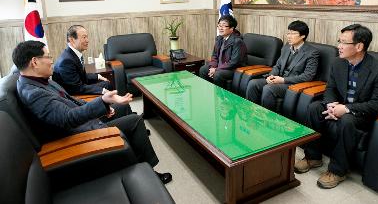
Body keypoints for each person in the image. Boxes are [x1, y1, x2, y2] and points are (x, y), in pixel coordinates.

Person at [13, 40, 172, 184]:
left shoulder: (41, 81)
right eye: (48, 57)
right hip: (78, 135)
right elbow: (68, 119)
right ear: (34, 61)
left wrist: (103, 106)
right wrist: (102, 102)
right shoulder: (34, 93)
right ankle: (150, 173)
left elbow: (71, 99)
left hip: (83, 120)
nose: (51, 61)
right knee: (135, 121)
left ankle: (133, 145)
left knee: (122, 106)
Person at [294, 24, 378, 189]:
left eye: (344, 43)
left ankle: (338, 170)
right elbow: (330, 88)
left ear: (359, 46)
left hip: (362, 114)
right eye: (339, 41)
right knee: (314, 108)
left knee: (347, 120)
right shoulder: (338, 63)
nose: (339, 46)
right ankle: (313, 157)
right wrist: (331, 105)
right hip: (339, 106)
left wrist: (346, 109)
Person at [246, 20, 319, 111]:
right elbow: (278, 65)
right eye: (288, 33)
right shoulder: (286, 47)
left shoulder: (312, 53)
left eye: (293, 34)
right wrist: (271, 76)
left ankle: (266, 118)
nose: (289, 36)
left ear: (303, 36)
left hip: (293, 84)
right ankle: (250, 111)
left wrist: (283, 80)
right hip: (278, 79)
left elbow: (308, 76)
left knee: (268, 89)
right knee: (253, 83)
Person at [53, 25, 112, 95]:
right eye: (84, 37)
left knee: (106, 82)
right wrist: (102, 90)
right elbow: (76, 88)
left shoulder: (73, 54)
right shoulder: (66, 61)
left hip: (79, 85)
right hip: (73, 95)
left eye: (87, 37)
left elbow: (81, 75)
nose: (87, 40)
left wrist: (98, 76)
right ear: (72, 40)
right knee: (106, 85)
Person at [199, 15, 247, 88]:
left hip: (233, 69)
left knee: (218, 74)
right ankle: (208, 92)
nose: (220, 28)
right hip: (220, 67)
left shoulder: (237, 42)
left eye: (224, 26)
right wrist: (213, 66)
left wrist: (216, 69)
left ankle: (220, 97)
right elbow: (214, 56)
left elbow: (234, 62)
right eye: (219, 25)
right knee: (203, 69)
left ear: (231, 28)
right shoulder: (220, 38)